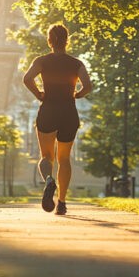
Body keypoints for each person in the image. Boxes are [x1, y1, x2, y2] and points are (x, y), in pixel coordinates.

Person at [22, 24, 92, 215]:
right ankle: (61, 202)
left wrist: (38, 94)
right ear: (66, 40)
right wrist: (77, 95)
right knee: (64, 159)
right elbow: (88, 85)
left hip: (48, 110)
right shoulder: (77, 63)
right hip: (69, 113)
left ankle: (49, 181)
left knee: (46, 157)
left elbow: (27, 78)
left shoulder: (42, 61)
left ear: (49, 41)